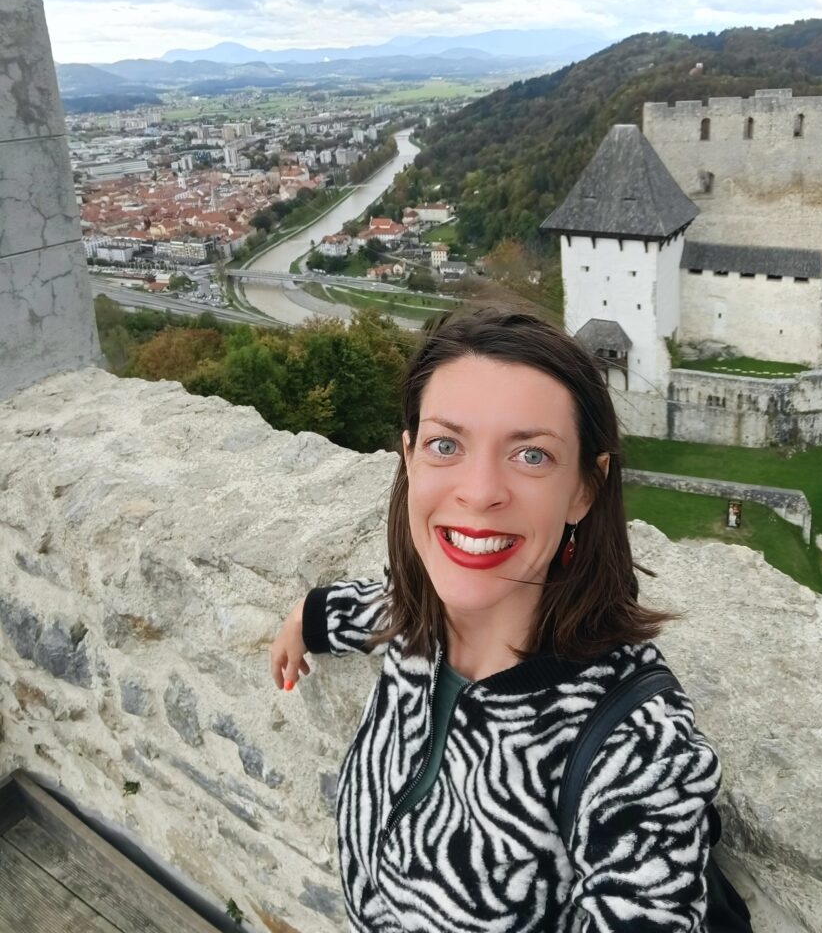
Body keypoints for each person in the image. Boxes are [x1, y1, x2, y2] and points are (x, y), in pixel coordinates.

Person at [270, 308, 721, 932]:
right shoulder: (417, 617)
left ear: (585, 489)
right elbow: (387, 604)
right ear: (409, 458)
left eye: (532, 455)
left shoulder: (634, 745)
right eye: (445, 445)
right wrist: (307, 617)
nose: (479, 491)